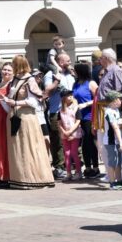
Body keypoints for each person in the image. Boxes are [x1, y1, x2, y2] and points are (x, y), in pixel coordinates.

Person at [1, 55, 54, 189]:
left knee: (28, 148)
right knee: (18, 149)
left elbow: (35, 101)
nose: (12, 67)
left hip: (26, 118)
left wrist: (15, 102)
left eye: (14, 64)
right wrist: (3, 99)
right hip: (15, 116)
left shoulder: (29, 80)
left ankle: (33, 178)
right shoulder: (15, 79)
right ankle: (20, 178)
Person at [93, 49, 122, 179]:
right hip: (103, 109)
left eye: (101, 58)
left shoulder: (116, 70)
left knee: (115, 143)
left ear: (107, 58)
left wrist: (115, 111)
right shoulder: (107, 71)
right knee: (104, 144)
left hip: (110, 109)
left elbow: (119, 92)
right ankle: (110, 173)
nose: (99, 60)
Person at [43, 51, 75, 180]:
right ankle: (59, 167)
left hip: (70, 112)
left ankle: (70, 166)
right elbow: (47, 91)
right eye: (68, 61)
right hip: (56, 112)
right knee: (58, 141)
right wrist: (57, 81)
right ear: (61, 62)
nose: (70, 62)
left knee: (71, 140)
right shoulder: (50, 74)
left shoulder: (70, 75)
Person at [72, 63, 100, 178]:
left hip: (89, 115)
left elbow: (97, 99)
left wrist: (86, 104)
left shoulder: (91, 83)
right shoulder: (76, 83)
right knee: (83, 143)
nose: (74, 72)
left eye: (76, 71)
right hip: (79, 117)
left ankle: (96, 167)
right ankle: (87, 166)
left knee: (90, 141)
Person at [103, 91, 122, 189]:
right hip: (110, 141)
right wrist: (121, 142)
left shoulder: (116, 111)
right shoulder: (109, 112)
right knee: (112, 162)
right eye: (118, 99)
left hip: (117, 140)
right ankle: (112, 182)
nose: (120, 101)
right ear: (112, 101)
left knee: (118, 162)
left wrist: (121, 124)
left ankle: (119, 180)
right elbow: (115, 127)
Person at [59, 91, 82, 181]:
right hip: (65, 135)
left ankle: (78, 172)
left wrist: (71, 131)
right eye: (68, 96)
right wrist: (64, 131)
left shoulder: (76, 108)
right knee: (67, 154)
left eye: (71, 96)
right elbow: (59, 122)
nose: (70, 97)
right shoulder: (61, 110)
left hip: (74, 134)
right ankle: (68, 173)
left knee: (74, 153)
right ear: (64, 98)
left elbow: (78, 121)